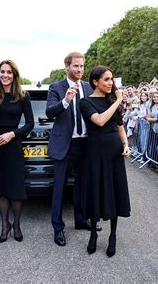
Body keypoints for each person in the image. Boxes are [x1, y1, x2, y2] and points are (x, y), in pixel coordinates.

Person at [46, 51, 100, 247]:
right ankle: (58, 228)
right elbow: (49, 112)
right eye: (76, 66)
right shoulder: (56, 87)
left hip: (85, 143)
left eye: (82, 66)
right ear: (67, 67)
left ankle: (80, 219)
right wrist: (66, 101)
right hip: (64, 145)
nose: (80, 69)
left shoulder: (88, 86)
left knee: (83, 185)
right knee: (59, 188)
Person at [0, 60, 34, 243]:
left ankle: (16, 225)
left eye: (9, 72)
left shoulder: (23, 96)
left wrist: (12, 134)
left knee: (15, 188)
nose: (5, 75)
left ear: (14, 75)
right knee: (1, 188)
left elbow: (30, 124)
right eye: (2, 72)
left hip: (14, 144)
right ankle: (5, 225)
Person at [79, 65, 131, 257]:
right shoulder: (85, 102)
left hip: (114, 152)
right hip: (95, 153)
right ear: (95, 81)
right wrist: (117, 102)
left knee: (115, 192)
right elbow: (100, 121)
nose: (111, 83)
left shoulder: (112, 100)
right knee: (96, 191)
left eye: (112, 79)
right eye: (107, 79)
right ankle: (93, 234)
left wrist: (126, 145)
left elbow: (120, 128)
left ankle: (113, 236)